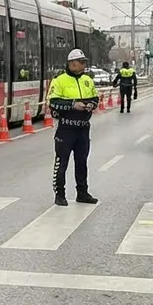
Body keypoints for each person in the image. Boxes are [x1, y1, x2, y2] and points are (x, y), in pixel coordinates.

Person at [48, 48, 99, 207]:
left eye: (84, 62)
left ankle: (82, 193)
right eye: (80, 63)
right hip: (66, 129)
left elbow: (95, 97)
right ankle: (60, 194)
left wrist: (91, 104)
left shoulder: (87, 80)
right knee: (61, 162)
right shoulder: (59, 80)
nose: (83, 65)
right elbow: (53, 102)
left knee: (82, 162)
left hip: (83, 129)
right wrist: (72, 105)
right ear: (71, 64)